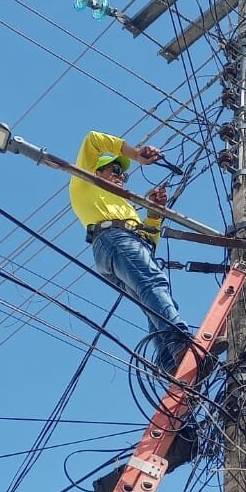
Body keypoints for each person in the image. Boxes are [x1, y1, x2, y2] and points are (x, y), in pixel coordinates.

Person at [69, 130, 195, 377]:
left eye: (124, 174)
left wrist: (154, 213)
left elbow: (148, 241)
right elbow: (93, 139)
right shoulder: (84, 182)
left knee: (153, 299)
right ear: (96, 170)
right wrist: (136, 154)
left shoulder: (124, 207)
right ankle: (179, 342)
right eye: (115, 170)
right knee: (153, 284)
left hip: (121, 245)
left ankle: (170, 362)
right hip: (112, 240)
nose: (121, 177)